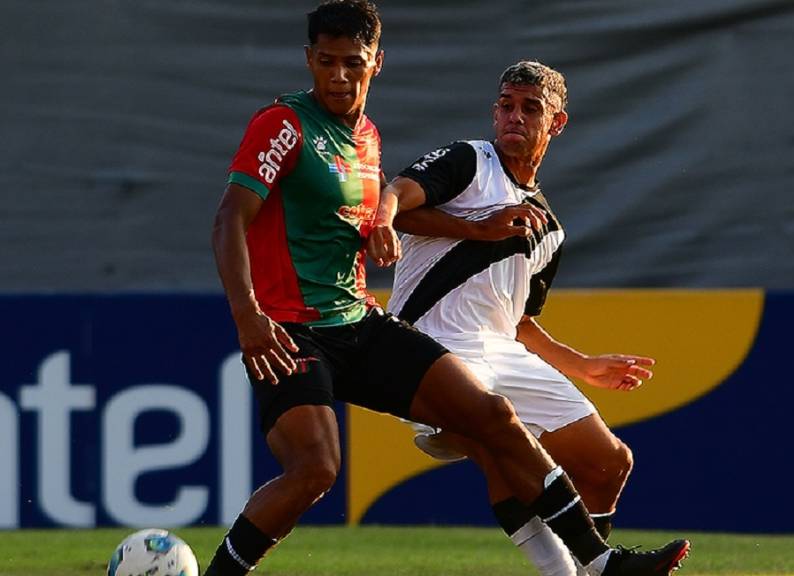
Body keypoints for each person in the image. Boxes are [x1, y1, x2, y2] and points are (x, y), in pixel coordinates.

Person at [206, 1, 689, 574]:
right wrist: (249, 316)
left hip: (358, 320)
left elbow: (382, 220)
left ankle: (597, 564)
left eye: (352, 64)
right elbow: (230, 218)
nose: (339, 76)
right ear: (309, 59)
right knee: (315, 470)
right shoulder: (284, 125)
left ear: (375, 64)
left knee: (494, 418)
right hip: (292, 328)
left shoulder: (365, 138)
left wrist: (579, 362)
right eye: (327, 62)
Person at [381, 60, 674, 575]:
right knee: (503, 440)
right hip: (430, 344)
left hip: (499, 350)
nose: (514, 117)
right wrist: (475, 228)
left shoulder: (551, 231)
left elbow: (517, 321)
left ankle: (587, 568)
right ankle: (588, 567)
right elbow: (395, 202)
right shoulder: (470, 161)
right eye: (506, 106)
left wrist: (582, 365)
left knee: (609, 463)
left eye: (530, 108)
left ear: (557, 123)